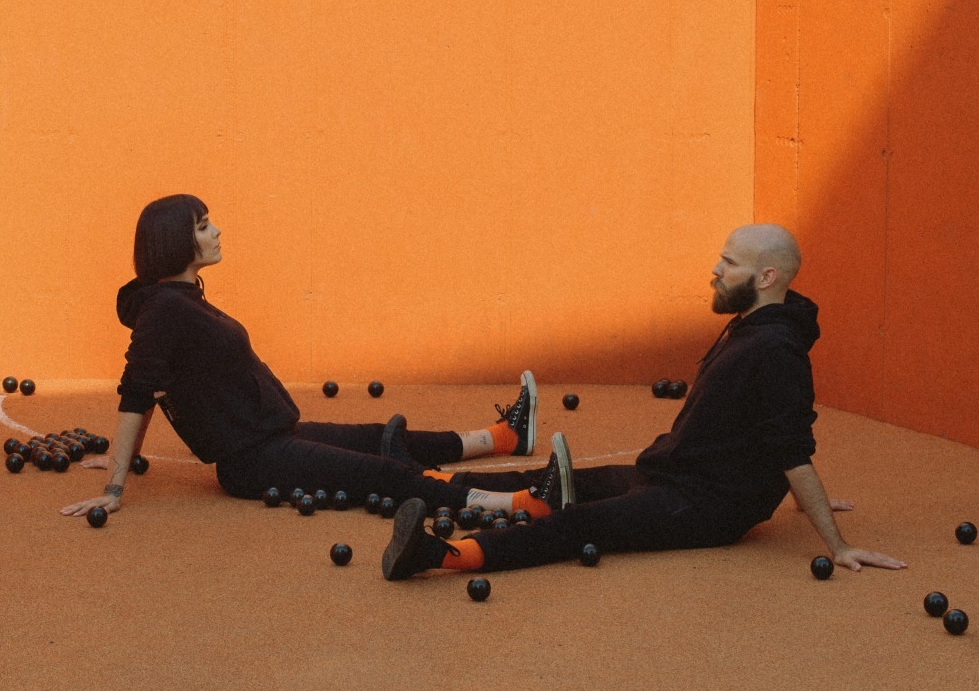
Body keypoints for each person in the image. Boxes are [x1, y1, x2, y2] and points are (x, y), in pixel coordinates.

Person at [382, 224, 908, 579]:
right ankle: (429, 484)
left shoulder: (774, 351)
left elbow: (791, 447)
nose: (716, 269)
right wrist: (798, 497)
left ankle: (441, 554)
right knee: (561, 482)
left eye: (729, 263)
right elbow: (772, 431)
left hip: (703, 508)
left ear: (766, 277)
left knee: (578, 525)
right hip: (672, 473)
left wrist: (837, 545)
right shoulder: (756, 325)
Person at [61, 194, 564, 522]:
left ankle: (504, 437)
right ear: (177, 240)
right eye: (204, 226)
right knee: (385, 475)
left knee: (381, 437)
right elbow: (138, 391)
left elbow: (153, 388)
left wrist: (125, 456)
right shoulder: (165, 310)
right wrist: (114, 486)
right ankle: (520, 502)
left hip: (275, 434)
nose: (217, 233)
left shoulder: (179, 299)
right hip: (254, 461)